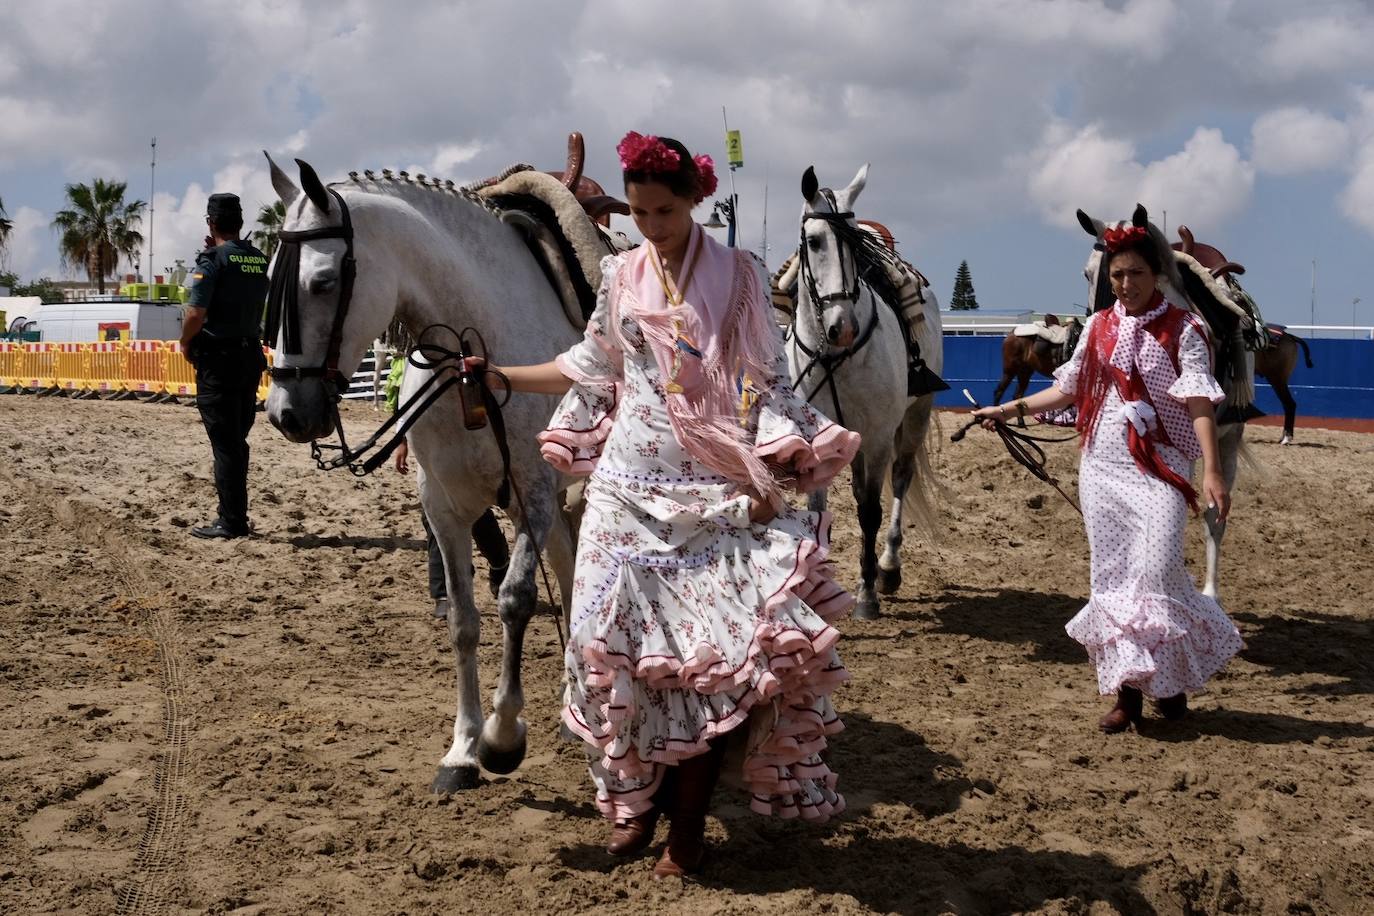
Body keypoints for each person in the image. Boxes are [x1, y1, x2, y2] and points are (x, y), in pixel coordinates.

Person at [481, 132, 860, 878]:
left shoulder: (740, 275)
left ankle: (685, 832)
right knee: (603, 647)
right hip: (624, 489)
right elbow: (590, 365)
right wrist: (498, 374)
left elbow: (762, 378)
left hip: (715, 489)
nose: (651, 225)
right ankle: (635, 805)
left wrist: (764, 469)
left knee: (710, 667)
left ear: (695, 198)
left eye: (663, 210)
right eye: (641, 212)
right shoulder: (619, 274)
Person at [972, 223, 1243, 733]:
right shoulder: (1097, 327)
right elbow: (1067, 390)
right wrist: (1007, 410)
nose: (1124, 284)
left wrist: (1211, 470)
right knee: (1114, 579)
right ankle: (1129, 696)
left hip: (1160, 468)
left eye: (1135, 273)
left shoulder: (1185, 330)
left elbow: (1199, 404)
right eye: (1116, 275)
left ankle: (1171, 680)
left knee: (1159, 571)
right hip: (1102, 469)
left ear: (1158, 273)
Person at [386, 350, 510, 618]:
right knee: (434, 516)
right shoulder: (417, 356)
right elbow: (408, 401)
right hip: (433, 450)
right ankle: (443, 591)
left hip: (469, 445)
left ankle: (499, 560)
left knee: (476, 514)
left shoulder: (471, 353)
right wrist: (402, 441)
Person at [182, 193, 270, 539]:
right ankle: (235, 515)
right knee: (237, 437)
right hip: (249, 356)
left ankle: (232, 520)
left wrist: (185, 342)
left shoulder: (211, 260)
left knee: (226, 442)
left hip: (218, 359)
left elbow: (195, 314)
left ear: (210, 222)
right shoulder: (259, 259)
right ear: (241, 223)